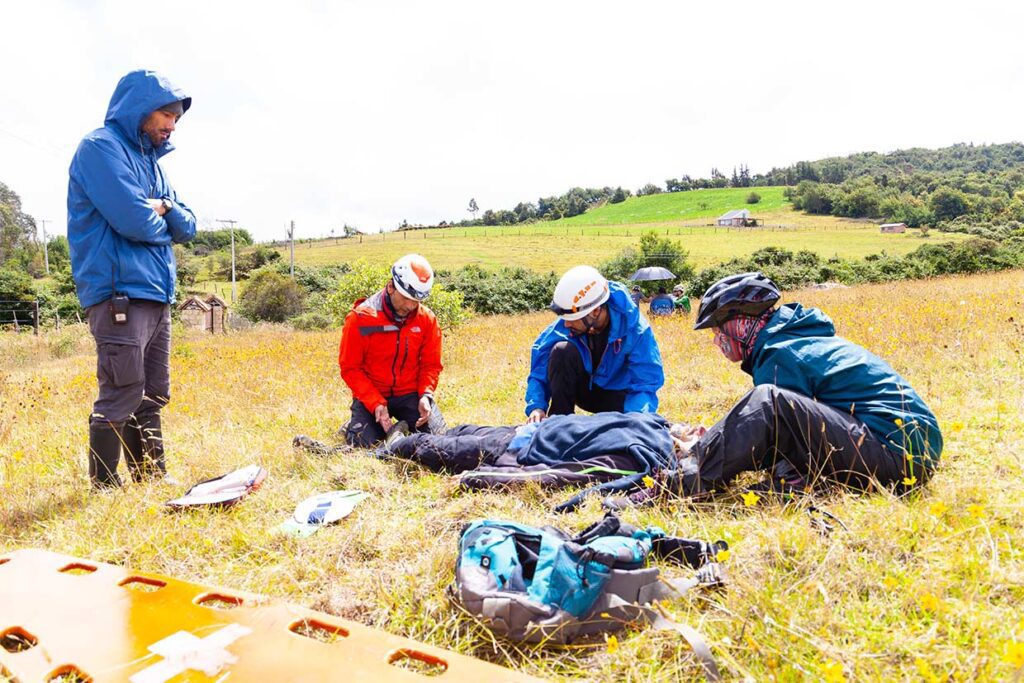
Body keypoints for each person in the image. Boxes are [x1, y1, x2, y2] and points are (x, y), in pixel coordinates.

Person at [612, 272, 943, 507]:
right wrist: (716, 437)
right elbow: (790, 431)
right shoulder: (789, 339)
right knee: (766, 405)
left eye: (719, 330)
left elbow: (774, 420)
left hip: (897, 453)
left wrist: (710, 450)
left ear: (743, 322)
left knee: (766, 400)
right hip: (902, 450)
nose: (717, 341)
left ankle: (680, 484)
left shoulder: (781, 352)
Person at [68, 70, 197, 489]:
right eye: (165, 114)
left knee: (153, 392)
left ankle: (151, 477)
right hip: (118, 293)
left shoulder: (153, 165)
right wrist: (159, 218)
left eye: (176, 118)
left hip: (157, 295)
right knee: (122, 391)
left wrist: (163, 207)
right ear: (139, 110)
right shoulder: (100, 149)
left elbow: (189, 226)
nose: (171, 125)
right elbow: (134, 222)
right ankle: (104, 487)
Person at [525, 265, 664, 423]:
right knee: (561, 350)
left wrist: (635, 420)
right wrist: (536, 406)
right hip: (586, 392)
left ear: (596, 311)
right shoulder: (569, 321)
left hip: (619, 398)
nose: (566, 325)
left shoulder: (635, 329)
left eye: (571, 320)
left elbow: (645, 382)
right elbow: (540, 364)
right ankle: (559, 423)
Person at [338, 253, 444, 447]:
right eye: (406, 298)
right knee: (362, 443)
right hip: (373, 395)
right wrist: (375, 402)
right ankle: (354, 425)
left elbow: (431, 364)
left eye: (416, 301)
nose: (411, 306)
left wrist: (425, 395)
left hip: (410, 394)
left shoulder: (427, 320)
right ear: (390, 287)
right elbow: (350, 368)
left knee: (437, 440)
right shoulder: (360, 318)